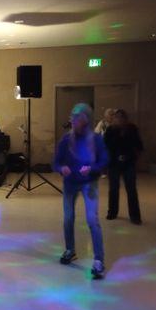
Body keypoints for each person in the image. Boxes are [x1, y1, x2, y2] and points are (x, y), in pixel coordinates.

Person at [53, 103, 108, 279]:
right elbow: (55, 162)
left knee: (92, 220)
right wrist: (62, 169)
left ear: (85, 120)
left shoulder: (96, 139)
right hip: (70, 184)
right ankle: (70, 249)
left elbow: (105, 160)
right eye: (72, 117)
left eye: (75, 118)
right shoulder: (66, 140)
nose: (72, 121)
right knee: (68, 218)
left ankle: (99, 260)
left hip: (89, 183)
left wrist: (92, 169)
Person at [104, 109, 144, 224]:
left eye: (122, 117)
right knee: (113, 189)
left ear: (126, 119)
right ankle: (112, 212)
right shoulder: (110, 130)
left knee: (131, 189)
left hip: (129, 162)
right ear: (114, 119)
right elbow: (106, 146)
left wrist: (136, 158)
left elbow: (138, 145)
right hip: (113, 163)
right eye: (117, 117)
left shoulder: (132, 129)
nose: (120, 119)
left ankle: (135, 216)